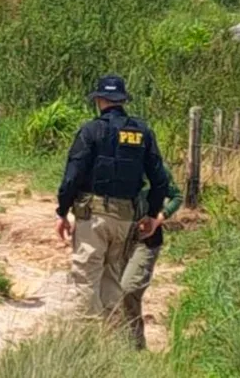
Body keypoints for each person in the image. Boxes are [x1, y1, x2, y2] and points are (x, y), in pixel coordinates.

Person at [55, 74, 168, 320]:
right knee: (112, 279)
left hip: (93, 218)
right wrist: (151, 215)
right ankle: (110, 342)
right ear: (121, 100)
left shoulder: (91, 130)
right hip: (125, 220)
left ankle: (84, 342)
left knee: (86, 277)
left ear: (99, 100)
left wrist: (62, 212)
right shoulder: (142, 132)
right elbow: (161, 180)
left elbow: (72, 177)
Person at [121, 164, 182, 350]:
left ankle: (136, 347)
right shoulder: (114, 161)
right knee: (113, 292)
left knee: (128, 289)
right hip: (118, 238)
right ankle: (119, 345)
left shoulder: (156, 169)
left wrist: (159, 219)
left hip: (146, 240)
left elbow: (176, 196)